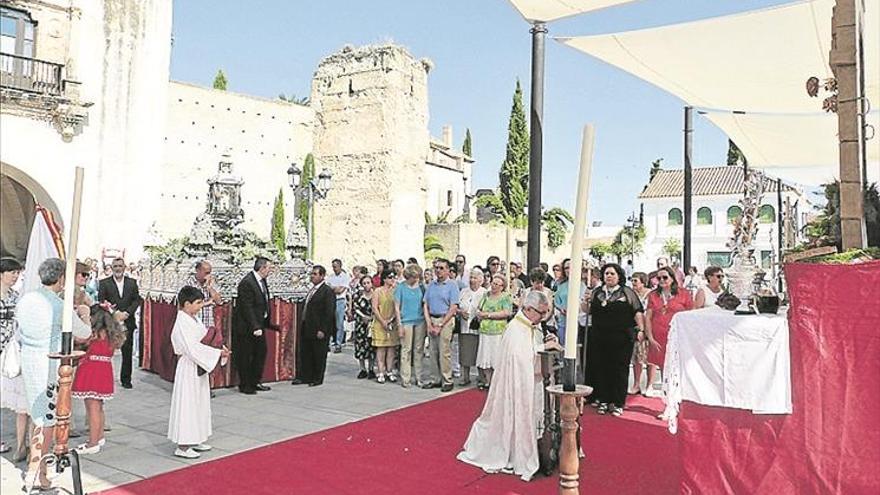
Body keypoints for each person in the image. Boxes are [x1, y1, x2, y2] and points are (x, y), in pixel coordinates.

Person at [457, 290, 561, 481]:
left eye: (545, 313)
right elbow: (518, 358)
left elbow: (531, 350)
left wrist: (545, 342)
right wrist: (542, 348)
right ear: (528, 308)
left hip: (535, 381)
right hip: (517, 384)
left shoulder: (532, 325)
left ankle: (539, 443)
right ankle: (518, 449)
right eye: (541, 312)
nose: (543, 317)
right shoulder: (515, 328)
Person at [16, 258, 91, 489]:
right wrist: (85, 314)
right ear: (60, 279)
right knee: (46, 420)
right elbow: (84, 333)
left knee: (37, 415)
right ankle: (36, 472)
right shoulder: (59, 306)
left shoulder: (26, 299)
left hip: (29, 360)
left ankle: (38, 467)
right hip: (48, 365)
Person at [167, 286, 230, 459]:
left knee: (200, 403)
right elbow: (192, 348)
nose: (201, 306)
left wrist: (219, 347)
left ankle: (197, 437)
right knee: (188, 404)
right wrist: (216, 353)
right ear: (186, 304)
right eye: (198, 303)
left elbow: (205, 338)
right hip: (188, 366)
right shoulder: (181, 322)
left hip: (198, 365)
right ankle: (183, 445)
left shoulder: (193, 319)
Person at [586, 264, 645, 417]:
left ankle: (618, 402)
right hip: (600, 336)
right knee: (602, 368)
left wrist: (641, 329)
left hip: (621, 338)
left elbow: (637, 311)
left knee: (619, 369)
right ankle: (604, 399)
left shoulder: (627, 292)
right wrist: (585, 301)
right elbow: (587, 311)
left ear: (619, 276)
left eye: (612, 273)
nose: (609, 276)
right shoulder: (597, 292)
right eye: (606, 273)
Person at [71, 304, 126, 454]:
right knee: (99, 406)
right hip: (105, 370)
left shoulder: (93, 333)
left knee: (92, 407)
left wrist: (83, 318)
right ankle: (99, 436)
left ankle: (92, 443)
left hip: (91, 370)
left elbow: (79, 338)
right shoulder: (110, 334)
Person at [644, 266, 694, 401]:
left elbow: (691, 316)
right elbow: (648, 317)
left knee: (675, 370)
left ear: (672, 278)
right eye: (658, 278)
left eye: (665, 277)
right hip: (658, 337)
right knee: (662, 370)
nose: (661, 280)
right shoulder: (653, 295)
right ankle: (667, 401)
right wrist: (650, 337)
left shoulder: (683, 293)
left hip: (677, 337)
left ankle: (677, 399)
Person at [97, 257, 142, 389]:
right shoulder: (104, 283)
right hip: (111, 323)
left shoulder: (132, 283)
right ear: (111, 267)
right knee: (106, 352)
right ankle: (104, 379)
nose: (117, 268)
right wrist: (113, 313)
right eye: (115, 266)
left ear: (124, 267)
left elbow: (136, 300)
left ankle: (126, 379)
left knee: (127, 352)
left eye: (120, 266)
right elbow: (101, 301)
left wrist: (127, 313)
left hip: (128, 321)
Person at [0, 258, 29, 461]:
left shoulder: (16, 295)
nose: (15, 276)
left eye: (17, 272)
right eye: (11, 272)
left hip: (10, 352)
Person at [231, 257, 273, 395]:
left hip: (259, 324)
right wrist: (255, 326)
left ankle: (255, 381)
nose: (270, 271)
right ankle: (246, 385)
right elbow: (247, 307)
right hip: (247, 327)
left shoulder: (261, 281)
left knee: (260, 353)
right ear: (262, 268)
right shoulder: (247, 283)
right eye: (268, 268)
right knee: (246, 355)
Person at [293, 265, 336, 387]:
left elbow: (329, 312)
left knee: (318, 354)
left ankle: (317, 378)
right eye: (312, 274)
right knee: (307, 352)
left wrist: (323, 329)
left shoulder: (327, 291)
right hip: (308, 326)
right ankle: (305, 376)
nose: (312, 276)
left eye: (315, 274)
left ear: (322, 276)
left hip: (319, 328)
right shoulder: (312, 290)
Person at [422, 258, 460, 392]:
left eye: (441, 268)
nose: (438, 271)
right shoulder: (431, 285)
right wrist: (429, 323)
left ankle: (447, 379)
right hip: (432, 318)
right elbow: (425, 304)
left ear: (448, 270)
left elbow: (453, 307)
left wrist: (441, 325)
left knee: (444, 351)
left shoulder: (452, 285)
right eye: (436, 268)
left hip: (445, 319)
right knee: (433, 351)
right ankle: (435, 378)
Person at [475, 274, 513, 390]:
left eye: (497, 284)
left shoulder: (505, 297)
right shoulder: (486, 295)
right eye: (493, 283)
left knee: (497, 356)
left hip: (498, 331)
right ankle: (488, 381)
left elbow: (507, 312)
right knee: (485, 355)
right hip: (485, 330)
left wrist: (489, 315)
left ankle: (498, 382)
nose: (494, 286)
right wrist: (479, 314)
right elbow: (479, 308)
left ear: (502, 286)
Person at [395, 264, 426, 388]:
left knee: (418, 349)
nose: (416, 279)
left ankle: (419, 377)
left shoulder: (422, 287)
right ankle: (406, 378)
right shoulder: (400, 287)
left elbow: (425, 304)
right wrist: (399, 324)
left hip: (420, 320)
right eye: (414, 277)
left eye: (418, 277)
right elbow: (397, 307)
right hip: (406, 320)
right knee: (406, 350)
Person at [457, 268, 486, 386]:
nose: (472, 280)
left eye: (475, 278)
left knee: (479, 351)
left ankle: (482, 377)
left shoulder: (485, 292)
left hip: (479, 327)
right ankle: (465, 376)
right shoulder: (463, 291)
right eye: (471, 277)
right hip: (465, 326)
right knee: (465, 351)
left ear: (481, 280)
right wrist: (460, 312)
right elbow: (456, 306)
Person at [371, 269, 399, 383]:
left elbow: (398, 306)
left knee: (391, 348)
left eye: (394, 277)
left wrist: (391, 319)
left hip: (392, 322)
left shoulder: (396, 291)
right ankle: (381, 371)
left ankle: (389, 370)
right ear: (384, 279)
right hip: (379, 322)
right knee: (381, 348)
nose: (392, 279)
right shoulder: (378, 291)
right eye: (390, 277)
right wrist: (383, 321)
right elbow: (374, 307)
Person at [628, 272, 651, 395]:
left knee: (650, 357)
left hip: (649, 328)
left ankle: (650, 384)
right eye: (632, 281)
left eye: (635, 281)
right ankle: (636, 384)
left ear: (643, 282)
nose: (633, 284)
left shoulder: (650, 294)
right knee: (637, 357)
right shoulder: (631, 294)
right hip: (635, 328)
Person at [352, 275, 376, 379]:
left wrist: (372, 317)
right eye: (364, 283)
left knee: (371, 346)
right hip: (361, 323)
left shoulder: (375, 294)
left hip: (372, 323)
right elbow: (355, 307)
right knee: (360, 345)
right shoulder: (358, 295)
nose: (366, 285)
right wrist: (363, 316)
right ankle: (362, 369)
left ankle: (371, 368)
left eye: (368, 283)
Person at [327, 259, 351, 353]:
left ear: (340, 266)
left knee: (339, 323)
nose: (334, 269)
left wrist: (334, 288)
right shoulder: (330, 277)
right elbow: (328, 288)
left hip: (340, 300)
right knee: (329, 321)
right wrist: (335, 288)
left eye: (336, 266)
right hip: (331, 299)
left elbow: (340, 290)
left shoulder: (345, 277)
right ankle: (328, 343)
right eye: (333, 267)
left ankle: (338, 343)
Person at [553, 258, 572, 345]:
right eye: (566, 268)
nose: (568, 270)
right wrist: (561, 309)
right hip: (563, 320)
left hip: (578, 322)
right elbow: (556, 301)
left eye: (570, 267)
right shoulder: (560, 284)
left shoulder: (583, 283)